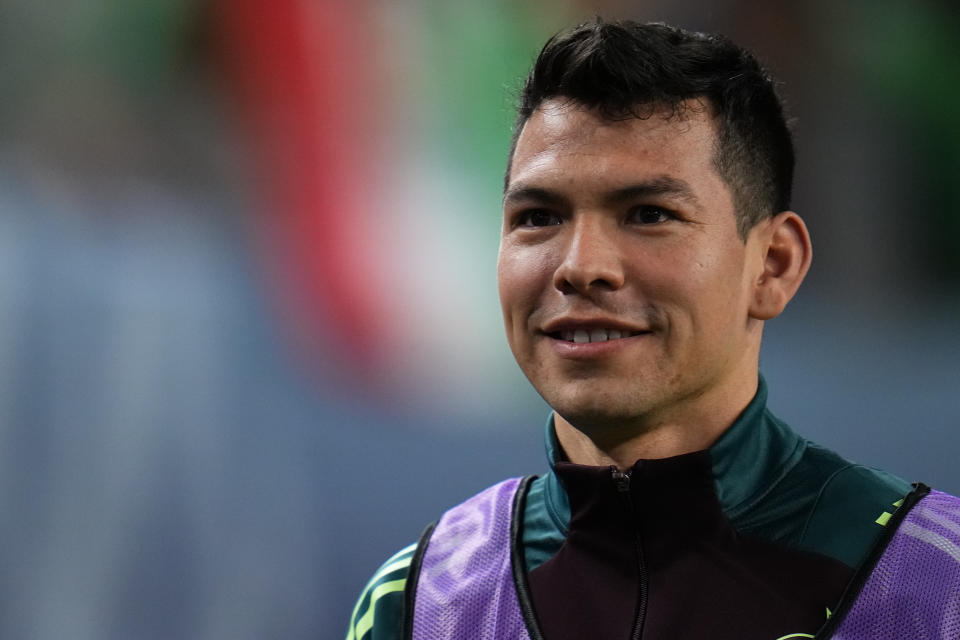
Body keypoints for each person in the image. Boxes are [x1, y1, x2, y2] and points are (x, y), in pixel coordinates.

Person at [345, 19, 960, 640]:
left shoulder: (938, 588)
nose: (582, 267)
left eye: (648, 214)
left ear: (773, 265)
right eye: (538, 217)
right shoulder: (421, 604)